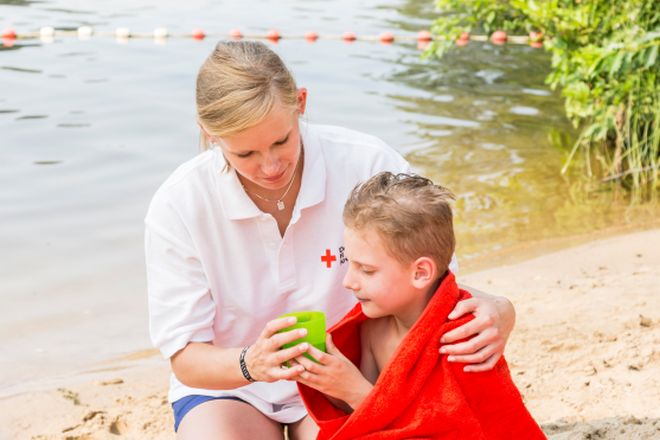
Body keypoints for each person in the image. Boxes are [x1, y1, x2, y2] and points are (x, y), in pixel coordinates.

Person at [145, 40, 516, 440]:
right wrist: (252, 363)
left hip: (350, 377)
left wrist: (499, 309)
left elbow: (428, 286)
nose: (270, 167)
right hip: (232, 388)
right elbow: (186, 357)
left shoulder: (368, 164)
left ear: (301, 103)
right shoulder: (180, 204)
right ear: (209, 134)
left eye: (282, 141)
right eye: (245, 153)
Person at [294, 172, 545, 439]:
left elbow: (456, 430)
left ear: (421, 272)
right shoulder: (372, 329)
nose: (348, 282)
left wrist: (353, 389)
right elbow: (368, 422)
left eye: (366, 270)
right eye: (350, 264)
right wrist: (333, 384)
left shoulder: (462, 338)